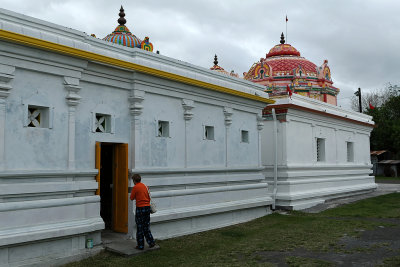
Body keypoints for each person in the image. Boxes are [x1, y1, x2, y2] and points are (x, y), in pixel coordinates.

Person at [130, 174, 156, 250]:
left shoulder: (135, 187)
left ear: (134, 181)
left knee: (140, 227)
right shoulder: (145, 186)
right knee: (146, 226)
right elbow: (148, 196)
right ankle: (151, 242)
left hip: (140, 208)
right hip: (147, 208)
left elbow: (131, 198)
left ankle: (141, 245)